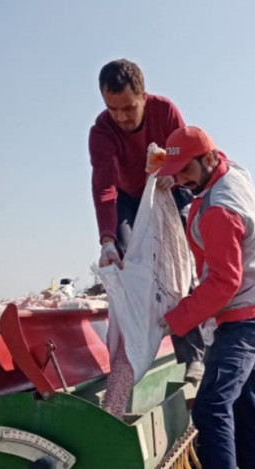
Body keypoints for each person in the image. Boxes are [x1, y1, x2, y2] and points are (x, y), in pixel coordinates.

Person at [150, 126, 255, 469]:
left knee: (210, 405)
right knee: (244, 408)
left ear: (206, 160)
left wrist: (177, 319)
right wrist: (173, 169)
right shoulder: (233, 172)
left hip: (241, 321)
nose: (183, 179)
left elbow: (223, 282)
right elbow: (198, 162)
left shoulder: (218, 211)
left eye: (186, 170)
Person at [89, 58, 205, 382]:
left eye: (128, 107)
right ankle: (131, 356)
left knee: (178, 267)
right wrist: (108, 239)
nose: (122, 117)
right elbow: (104, 185)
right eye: (113, 110)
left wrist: (175, 176)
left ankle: (192, 356)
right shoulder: (101, 131)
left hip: (168, 189)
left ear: (143, 96)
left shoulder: (165, 111)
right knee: (128, 263)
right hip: (128, 198)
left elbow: (186, 156)